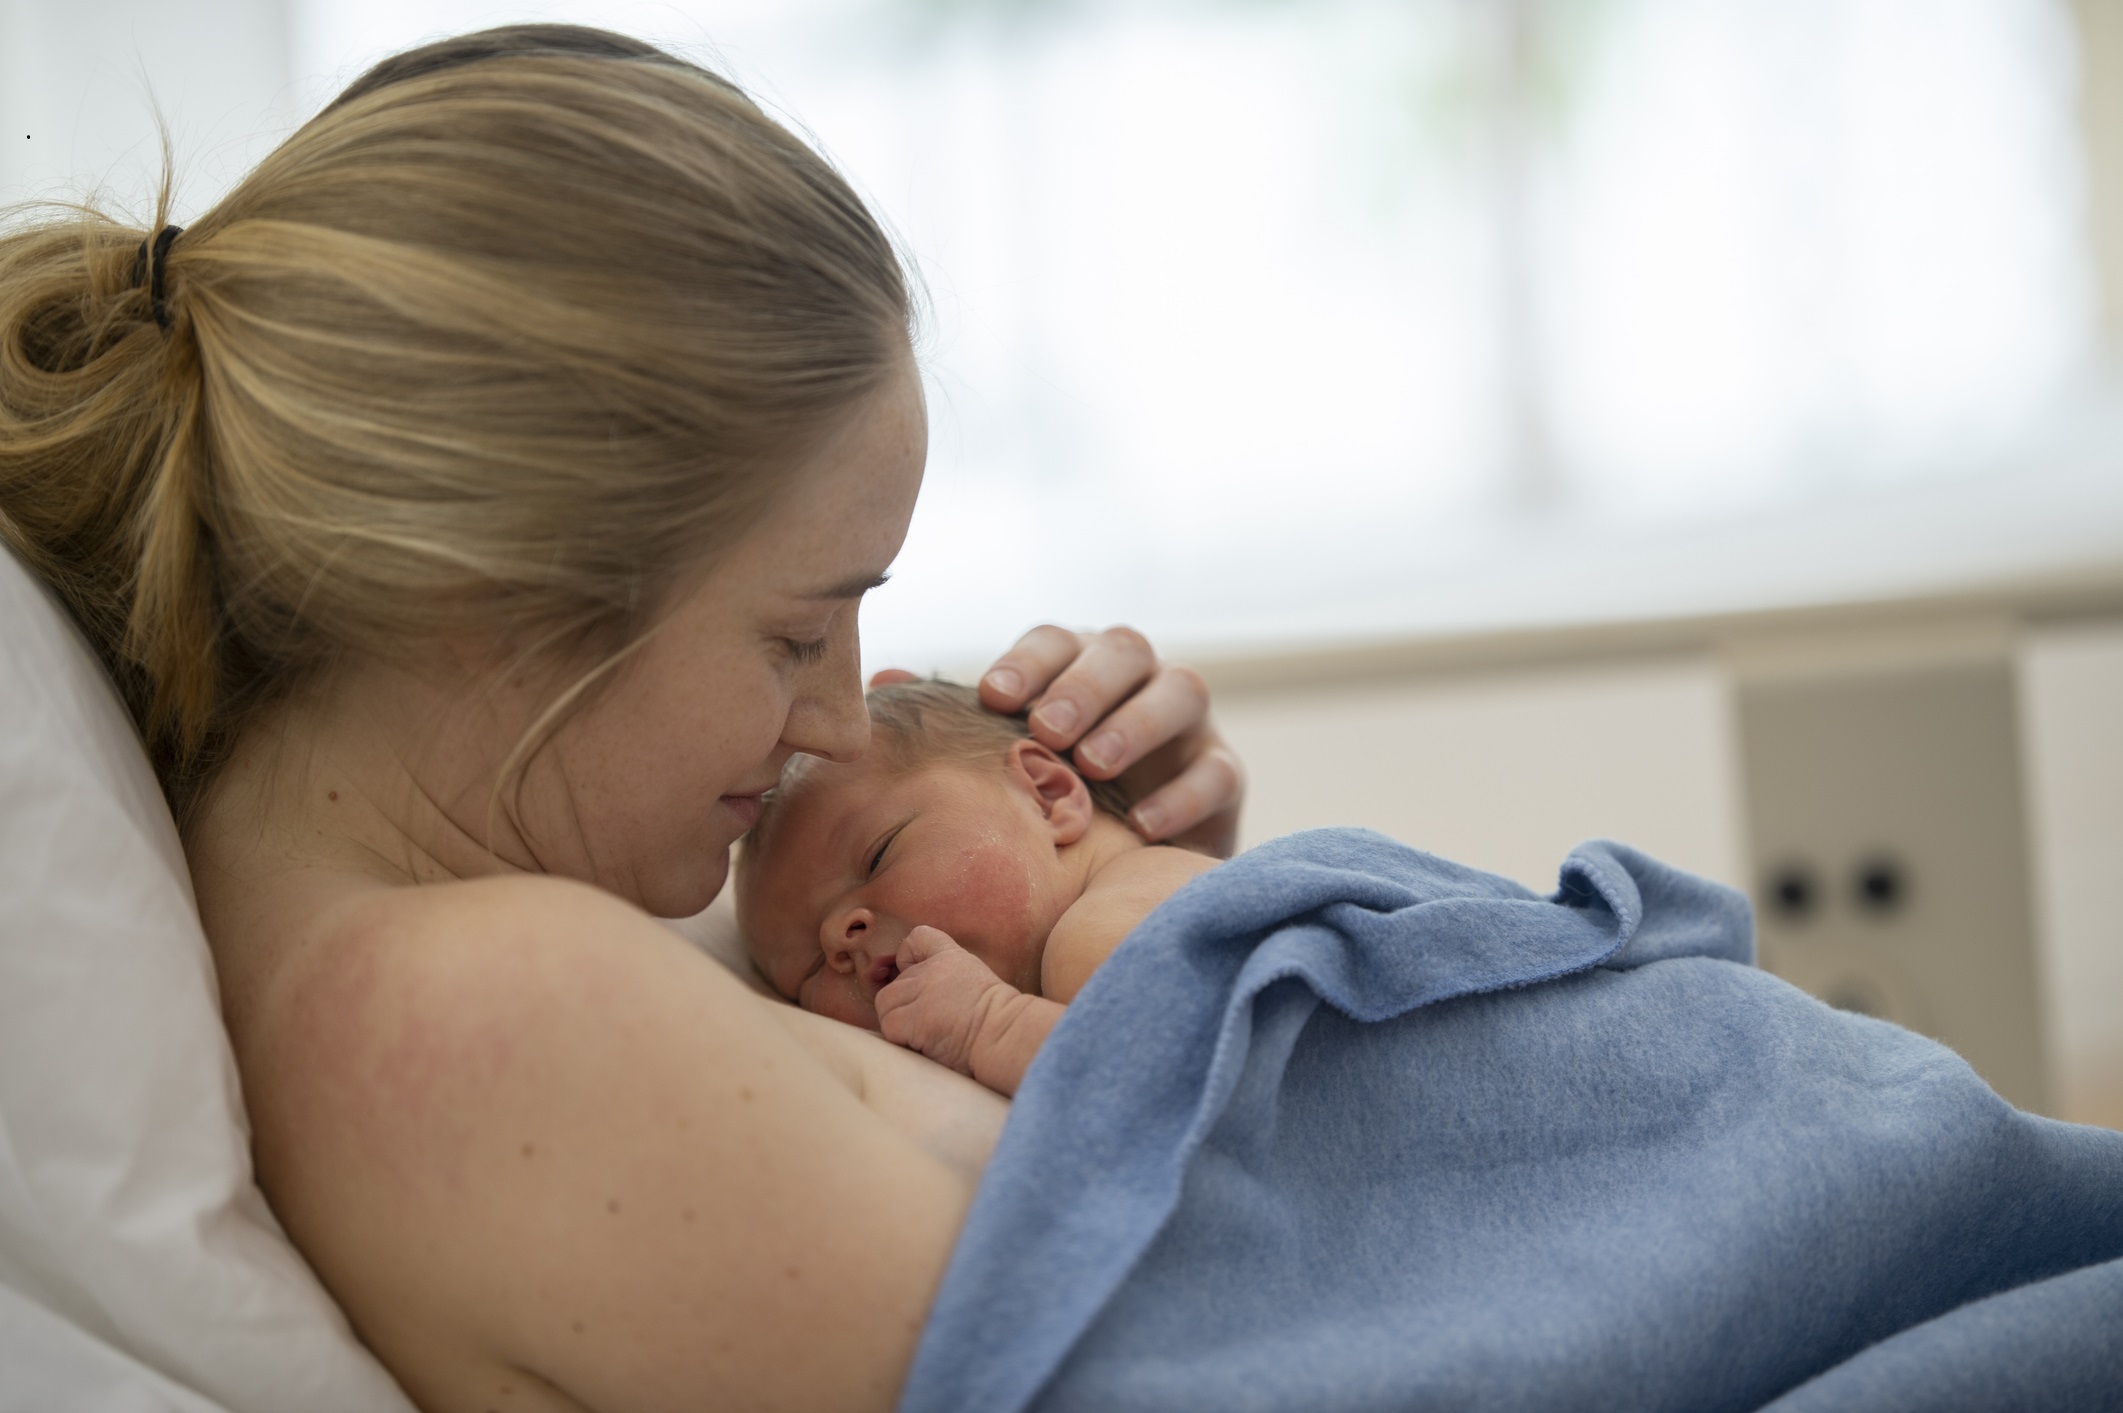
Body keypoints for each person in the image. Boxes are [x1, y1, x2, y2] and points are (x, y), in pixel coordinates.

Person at [0, 25, 1244, 1412]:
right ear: (498, 592)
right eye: (796, 633)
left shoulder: (510, 919)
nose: (839, 720)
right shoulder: (488, 1018)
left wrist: (1140, 918)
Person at [741, 679, 1221, 1095]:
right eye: (808, 974)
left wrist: (992, 1024)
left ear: (1047, 795)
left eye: (878, 855)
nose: (835, 935)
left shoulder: (1108, 921)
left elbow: (1184, 1086)